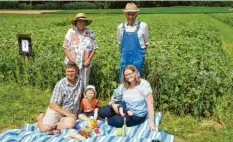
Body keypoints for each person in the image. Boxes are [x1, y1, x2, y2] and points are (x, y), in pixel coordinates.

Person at [98, 65, 156, 131]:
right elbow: (115, 97)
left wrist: (151, 122)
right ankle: (114, 114)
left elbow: (150, 103)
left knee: (116, 121)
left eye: (130, 73)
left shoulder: (143, 84)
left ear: (135, 73)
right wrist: (113, 104)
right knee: (101, 112)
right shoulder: (124, 85)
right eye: (126, 75)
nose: (128, 76)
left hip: (136, 115)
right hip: (124, 107)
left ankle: (110, 119)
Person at [36, 61, 84, 132]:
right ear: (65, 72)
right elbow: (52, 104)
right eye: (68, 71)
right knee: (45, 129)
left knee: (70, 125)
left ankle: (55, 125)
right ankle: (41, 119)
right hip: (57, 111)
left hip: (70, 114)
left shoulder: (80, 81)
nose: (70, 73)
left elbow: (82, 96)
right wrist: (68, 114)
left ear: (76, 71)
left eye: (72, 71)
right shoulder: (60, 85)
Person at [63, 13, 98, 88]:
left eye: (83, 21)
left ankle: (82, 98)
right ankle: (71, 98)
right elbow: (65, 47)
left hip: (85, 64)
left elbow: (94, 48)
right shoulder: (70, 32)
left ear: (85, 23)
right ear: (76, 22)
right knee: (71, 81)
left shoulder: (90, 32)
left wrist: (89, 59)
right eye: (79, 21)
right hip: (72, 63)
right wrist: (73, 61)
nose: (81, 23)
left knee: (84, 82)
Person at [117, 2, 149, 80]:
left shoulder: (143, 26)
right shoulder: (120, 27)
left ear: (137, 14)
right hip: (124, 59)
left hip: (137, 59)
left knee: (137, 79)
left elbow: (146, 44)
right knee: (124, 79)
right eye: (128, 14)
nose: (130, 17)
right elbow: (120, 45)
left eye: (133, 14)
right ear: (125, 14)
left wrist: (140, 57)